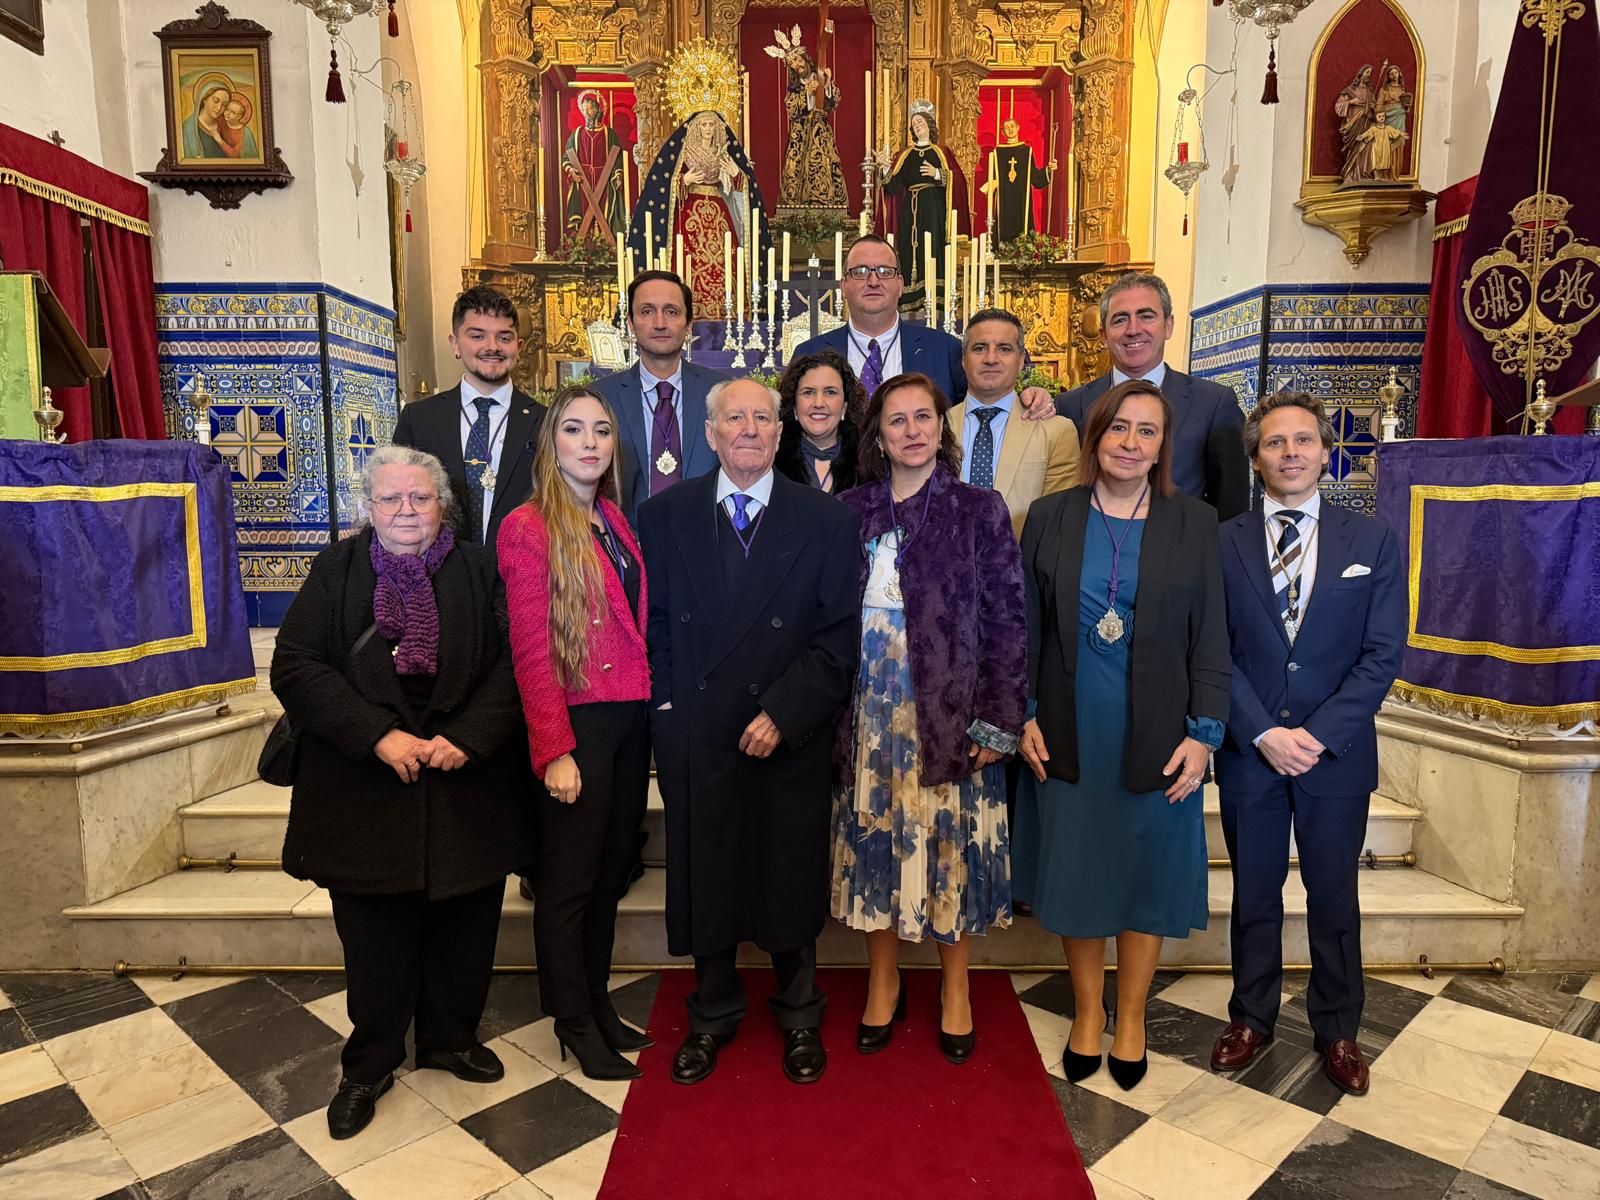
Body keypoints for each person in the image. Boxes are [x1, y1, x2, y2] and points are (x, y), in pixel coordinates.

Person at [271, 445, 535, 1140]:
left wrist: (470, 737)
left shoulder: (479, 569)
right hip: (363, 786)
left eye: (419, 497)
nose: (406, 510)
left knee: (466, 927)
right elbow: (295, 666)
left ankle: (450, 1039)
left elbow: (518, 663)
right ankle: (370, 1063)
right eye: (390, 498)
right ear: (369, 507)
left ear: (442, 506)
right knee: (374, 941)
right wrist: (376, 736)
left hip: (461, 780)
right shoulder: (336, 570)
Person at [637, 377, 860, 1087]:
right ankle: (712, 1014)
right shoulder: (664, 515)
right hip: (698, 733)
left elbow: (838, 638)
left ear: (780, 431)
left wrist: (785, 714)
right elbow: (654, 626)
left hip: (787, 733)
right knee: (707, 873)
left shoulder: (824, 520)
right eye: (734, 417)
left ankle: (799, 1014)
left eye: (762, 417)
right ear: (709, 433)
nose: (749, 429)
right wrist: (667, 714)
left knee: (787, 872)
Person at [1014, 379, 1230, 1091]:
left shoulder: (1193, 521)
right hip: (1068, 725)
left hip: (1161, 730)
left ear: (1163, 446)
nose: (1130, 443)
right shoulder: (1050, 516)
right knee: (1079, 870)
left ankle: (1131, 1015)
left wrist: (1204, 733)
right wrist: (1023, 713)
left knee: (1144, 873)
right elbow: (1026, 628)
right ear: (1095, 436)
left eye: (1147, 431)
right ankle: (1087, 1010)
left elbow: (1212, 635)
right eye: (1118, 428)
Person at [1209, 391, 1403, 1097]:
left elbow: (1382, 654)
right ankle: (1250, 1018)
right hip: (1251, 751)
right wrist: (1262, 731)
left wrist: (1316, 736)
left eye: (1302, 440)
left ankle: (1338, 1029)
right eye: (1274, 442)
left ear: (1325, 452)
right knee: (1255, 893)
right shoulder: (1221, 541)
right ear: (1255, 458)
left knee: (1334, 896)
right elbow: (1213, 648)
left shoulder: (1372, 541)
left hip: (1335, 756)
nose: (1289, 452)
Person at [831, 372, 1026, 1064]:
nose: (911, 430)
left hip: (949, 713)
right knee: (875, 844)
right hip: (868, 712)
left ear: (941, 428)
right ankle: (883, 981)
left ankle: (955, 987)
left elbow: (1008, 620)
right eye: (897, 420)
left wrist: (998, 719)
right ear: (878, 437)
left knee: (949, 851)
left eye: (923, 417)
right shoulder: (849, 510)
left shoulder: (978, 509)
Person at [499, 386, 653, 1083]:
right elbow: (532, 650)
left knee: (609, 875)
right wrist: (554, 749)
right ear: (550, 444)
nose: (590, 442)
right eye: (573, 429)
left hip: (628, 719)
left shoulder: (613, 518)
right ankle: (572, 1021)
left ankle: (597, 1002)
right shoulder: (528, 526)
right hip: (578, 724)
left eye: (601, 430)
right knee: (567, 884)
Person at [1054, 272, 1249, 519]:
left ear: (1168, 326)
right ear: (1103, 335)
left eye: (1146, 316)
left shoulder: (1213, 403)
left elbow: (1232, 510)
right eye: (1120, 319)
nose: (1133, 329)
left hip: (1182, 542)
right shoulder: (1069, 406)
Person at [794, 235, 1054, 416]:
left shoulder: (944, 349)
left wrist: (1030, 396)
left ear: (900, 285)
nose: (873, 281)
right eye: (861, 272)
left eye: (885, 271)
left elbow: (991, 392)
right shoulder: (810, 353)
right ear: (843, 286)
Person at [392, 285, 545, 556]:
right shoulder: (419, 420)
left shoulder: (545, 421)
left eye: (504, 337)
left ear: (519, 347)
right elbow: (398, 500)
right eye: (477, 336)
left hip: (523, 568)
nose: (492, 347)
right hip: (440, 570)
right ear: (455, 344)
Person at [590, 270, 727, 523]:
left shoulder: (722, 393)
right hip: (623, 541)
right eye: (647, 311)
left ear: (689, 324)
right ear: (630, 323)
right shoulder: (599, 398)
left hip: (706, 537)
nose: (660, 323)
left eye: (672, 312)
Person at [628, 110, 771, 320]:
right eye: (704, 125)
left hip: (719, 215)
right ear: (696, 128)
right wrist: (683, 181)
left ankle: (726, 314)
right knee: (690, 260)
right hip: (690, 215)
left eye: (711, 125)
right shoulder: (684, 153)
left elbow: (744, 190)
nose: (708, 129)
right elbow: (661, 187)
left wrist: (736, 174)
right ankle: (687, 312)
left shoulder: (724, 154)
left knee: (725, 261)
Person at [949, 308, 1078, 539]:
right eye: (979, 348)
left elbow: (1059, 524)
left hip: (1022, 560)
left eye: (1004, 349)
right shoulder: (937, 427)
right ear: (964, 360)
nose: (991, 359)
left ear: (1020, 361)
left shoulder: (1055, 432)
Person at [877, 99, 970, 307]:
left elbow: (958, 181)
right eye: (914, 123)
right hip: (909, 209)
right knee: (908, 246)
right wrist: (884, 168)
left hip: (932, 208)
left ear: (929, 124)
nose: (917, 125)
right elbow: (893, 186)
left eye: (920, 121)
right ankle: (909, 296)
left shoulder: (941, 152)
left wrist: (937, 173)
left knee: (932, 246)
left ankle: (934, 296)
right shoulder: (906, 155)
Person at [765, 25, 850, 209]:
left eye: (797, 59)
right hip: (800, 136)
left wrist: (826, 84)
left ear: (805, 57)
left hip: (820, 134)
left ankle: (825, 205)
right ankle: (796, 208)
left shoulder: (820, 75)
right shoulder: (794, 88)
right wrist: (806, 93)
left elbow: (833, 103)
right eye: (792, 64)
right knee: (796, 171)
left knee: (822, 166)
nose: (797, 65)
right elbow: (792, 110)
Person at [773, 348, 866, 495]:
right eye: (808, 392)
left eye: (830, 392)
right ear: (794, 405)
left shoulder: (868, 461)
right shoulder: (772, 460)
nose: (818, 403)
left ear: (845, 406)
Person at [563, 90, 626, 243]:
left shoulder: (610, 134)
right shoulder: (577, 134)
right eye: (584, 109)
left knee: (604, 212)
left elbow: (617, 159)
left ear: (598, 110)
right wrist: (571, 170)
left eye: (590, 108)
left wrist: (618, 175)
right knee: (585, 214)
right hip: (583, 180)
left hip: (604, 179)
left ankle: (606, 244)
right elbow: (567, 157)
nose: (586, 113)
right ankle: (583, 244)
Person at [981, 118, 1055, 245]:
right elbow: (993, 178)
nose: (1010, 129)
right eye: (1006, 128)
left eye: (1012, 126)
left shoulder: (1026, 151)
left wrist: (1048, 170)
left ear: (1018, 128)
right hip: (1004, 199)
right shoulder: (998, 153)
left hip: (1022, 199)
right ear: (1002, 132)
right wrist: (990, 184)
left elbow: (1035, 177)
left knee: (1023, 225)